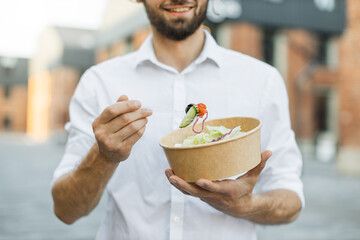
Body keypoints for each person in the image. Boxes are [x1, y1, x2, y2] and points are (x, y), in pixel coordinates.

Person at [51, 0, 304, 239]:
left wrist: (245, 205)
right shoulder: (99, 82)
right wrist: (103, 157)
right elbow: (66, 210)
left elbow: (291, 200)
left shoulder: (262, 81)